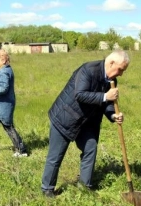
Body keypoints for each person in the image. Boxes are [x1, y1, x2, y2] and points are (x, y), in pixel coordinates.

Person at [41, 50, 130, 197]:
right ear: (111, 63)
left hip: (86, 122)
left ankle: (85, 187)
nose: (121, 74)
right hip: (65, 117)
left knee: (90, 148)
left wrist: (113, 115)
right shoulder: (88, 70)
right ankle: (47, 190)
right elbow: (80, 95)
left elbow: (106, 104)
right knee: (56, 156)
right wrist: (105, 95)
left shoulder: (111, 80)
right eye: (120, 69)